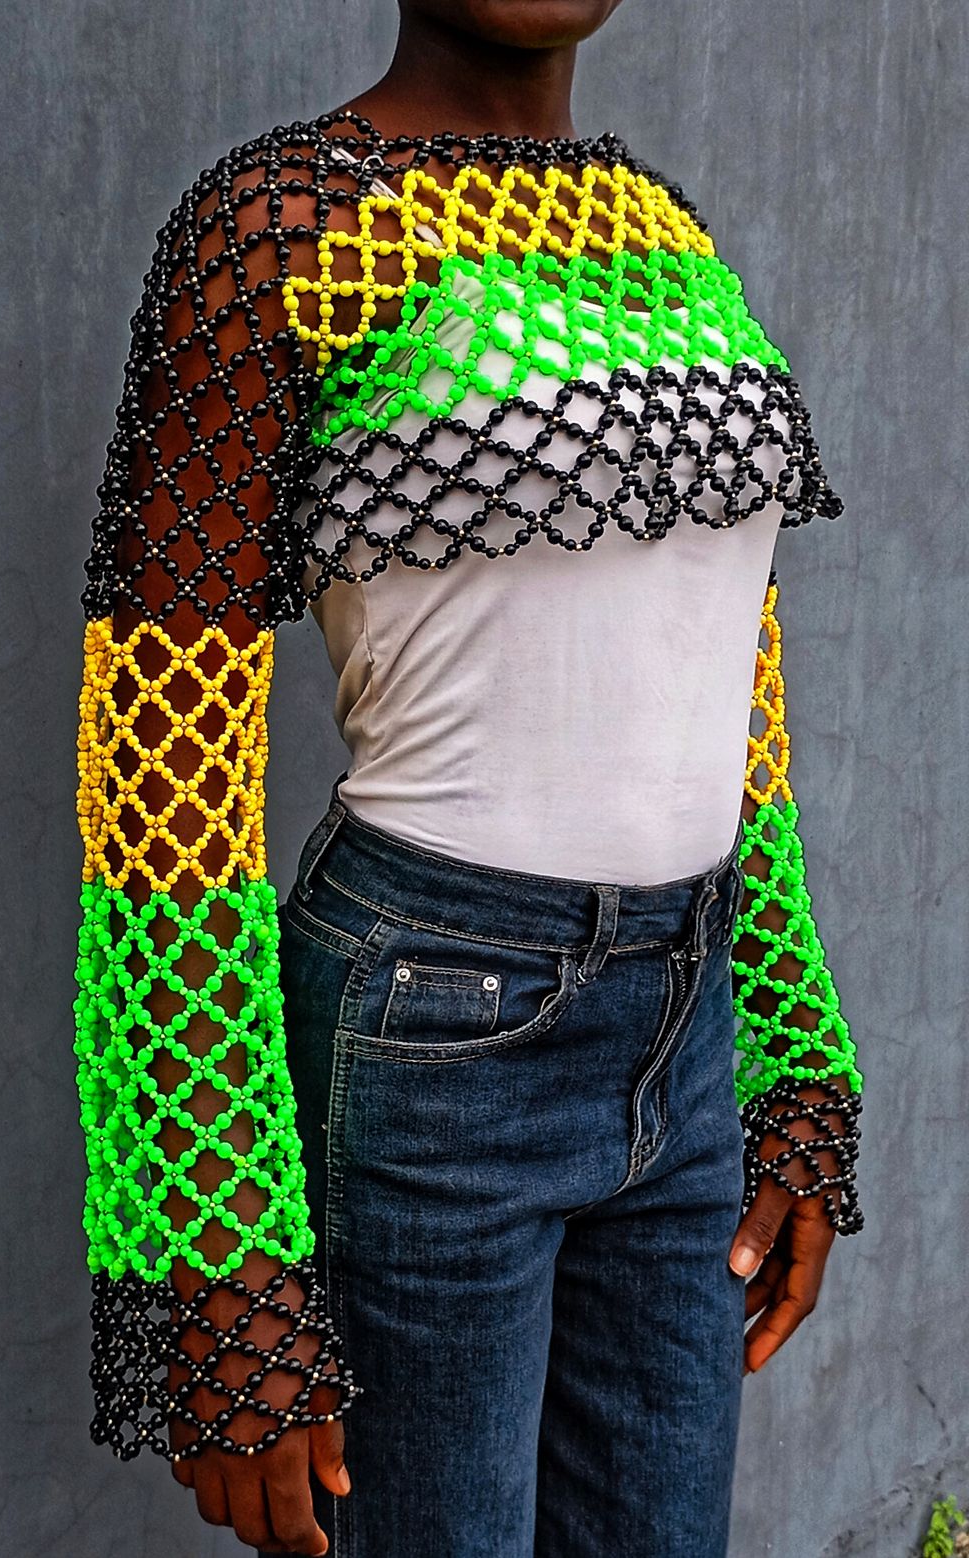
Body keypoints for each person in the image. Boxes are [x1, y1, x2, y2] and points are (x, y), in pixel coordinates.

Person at [69, 1, 865, 1553]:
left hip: (688, 1030)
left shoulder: (665, 241)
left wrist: (792, 1045)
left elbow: (728, 678)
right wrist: (216, 1241)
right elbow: (163, 771)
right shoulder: (280, 228)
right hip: (432, 1031)